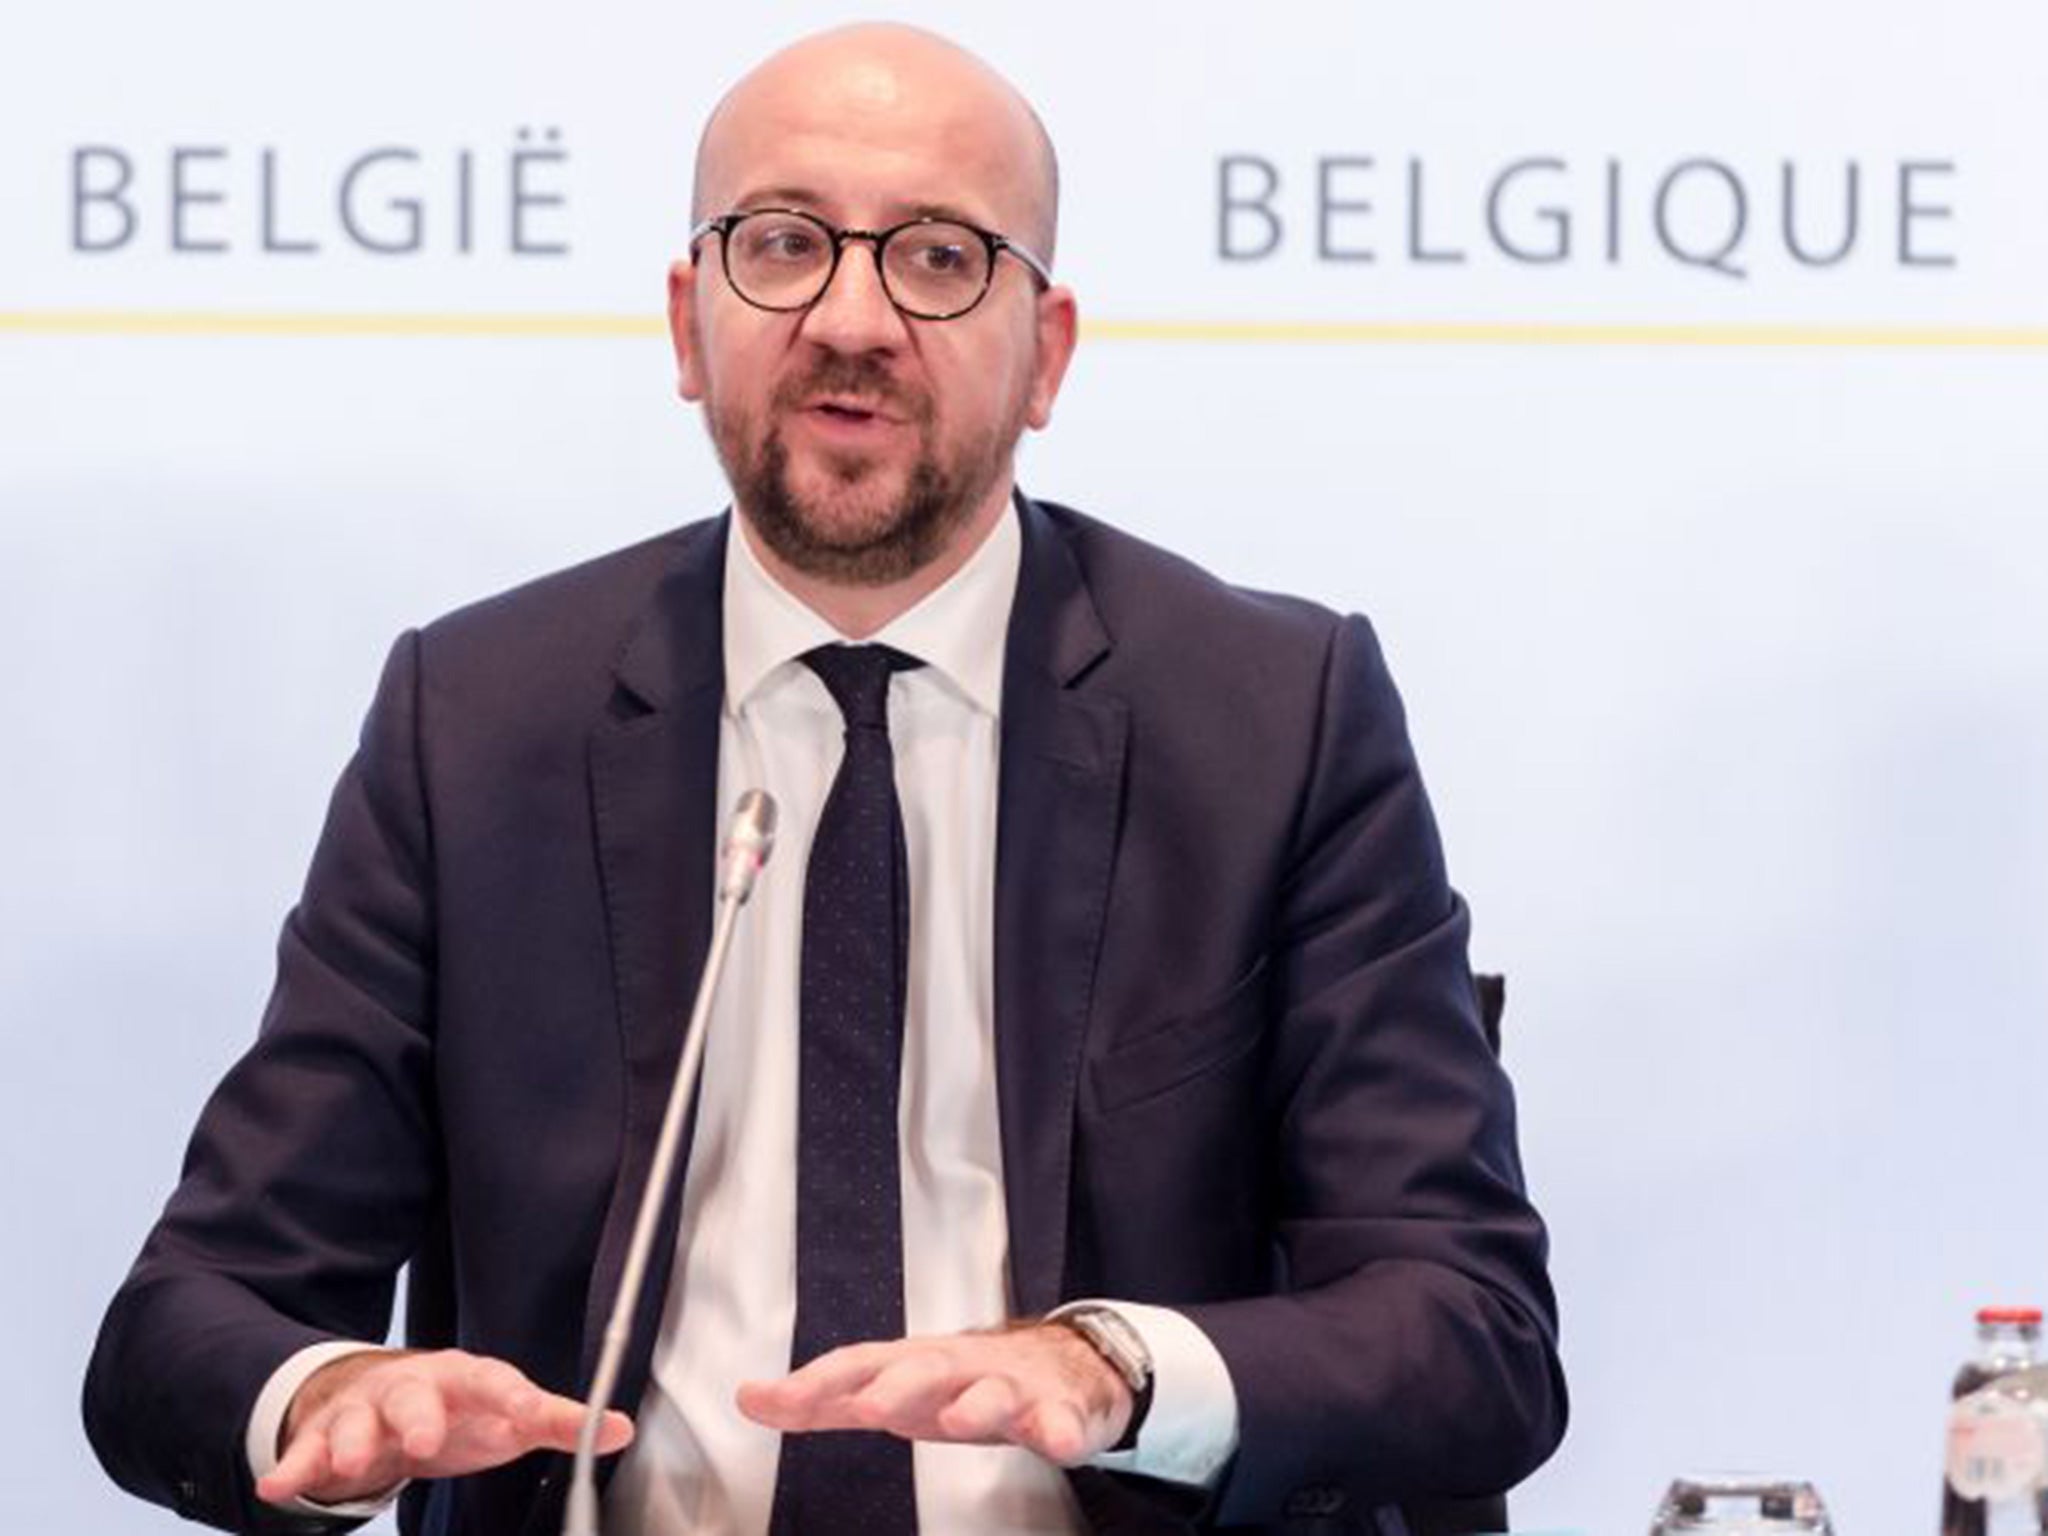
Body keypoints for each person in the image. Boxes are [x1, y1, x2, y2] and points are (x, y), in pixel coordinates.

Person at [83, 22, 1565, 1536]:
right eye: (782, 243)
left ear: (1045, 351)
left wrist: (1123, 1368)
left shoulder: (1270, 720)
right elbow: (189, 1320)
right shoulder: (473, 724)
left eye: (937, 259)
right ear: (687, 323)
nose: (850, 318)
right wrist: (326, 1391)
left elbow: (1468, 1327)